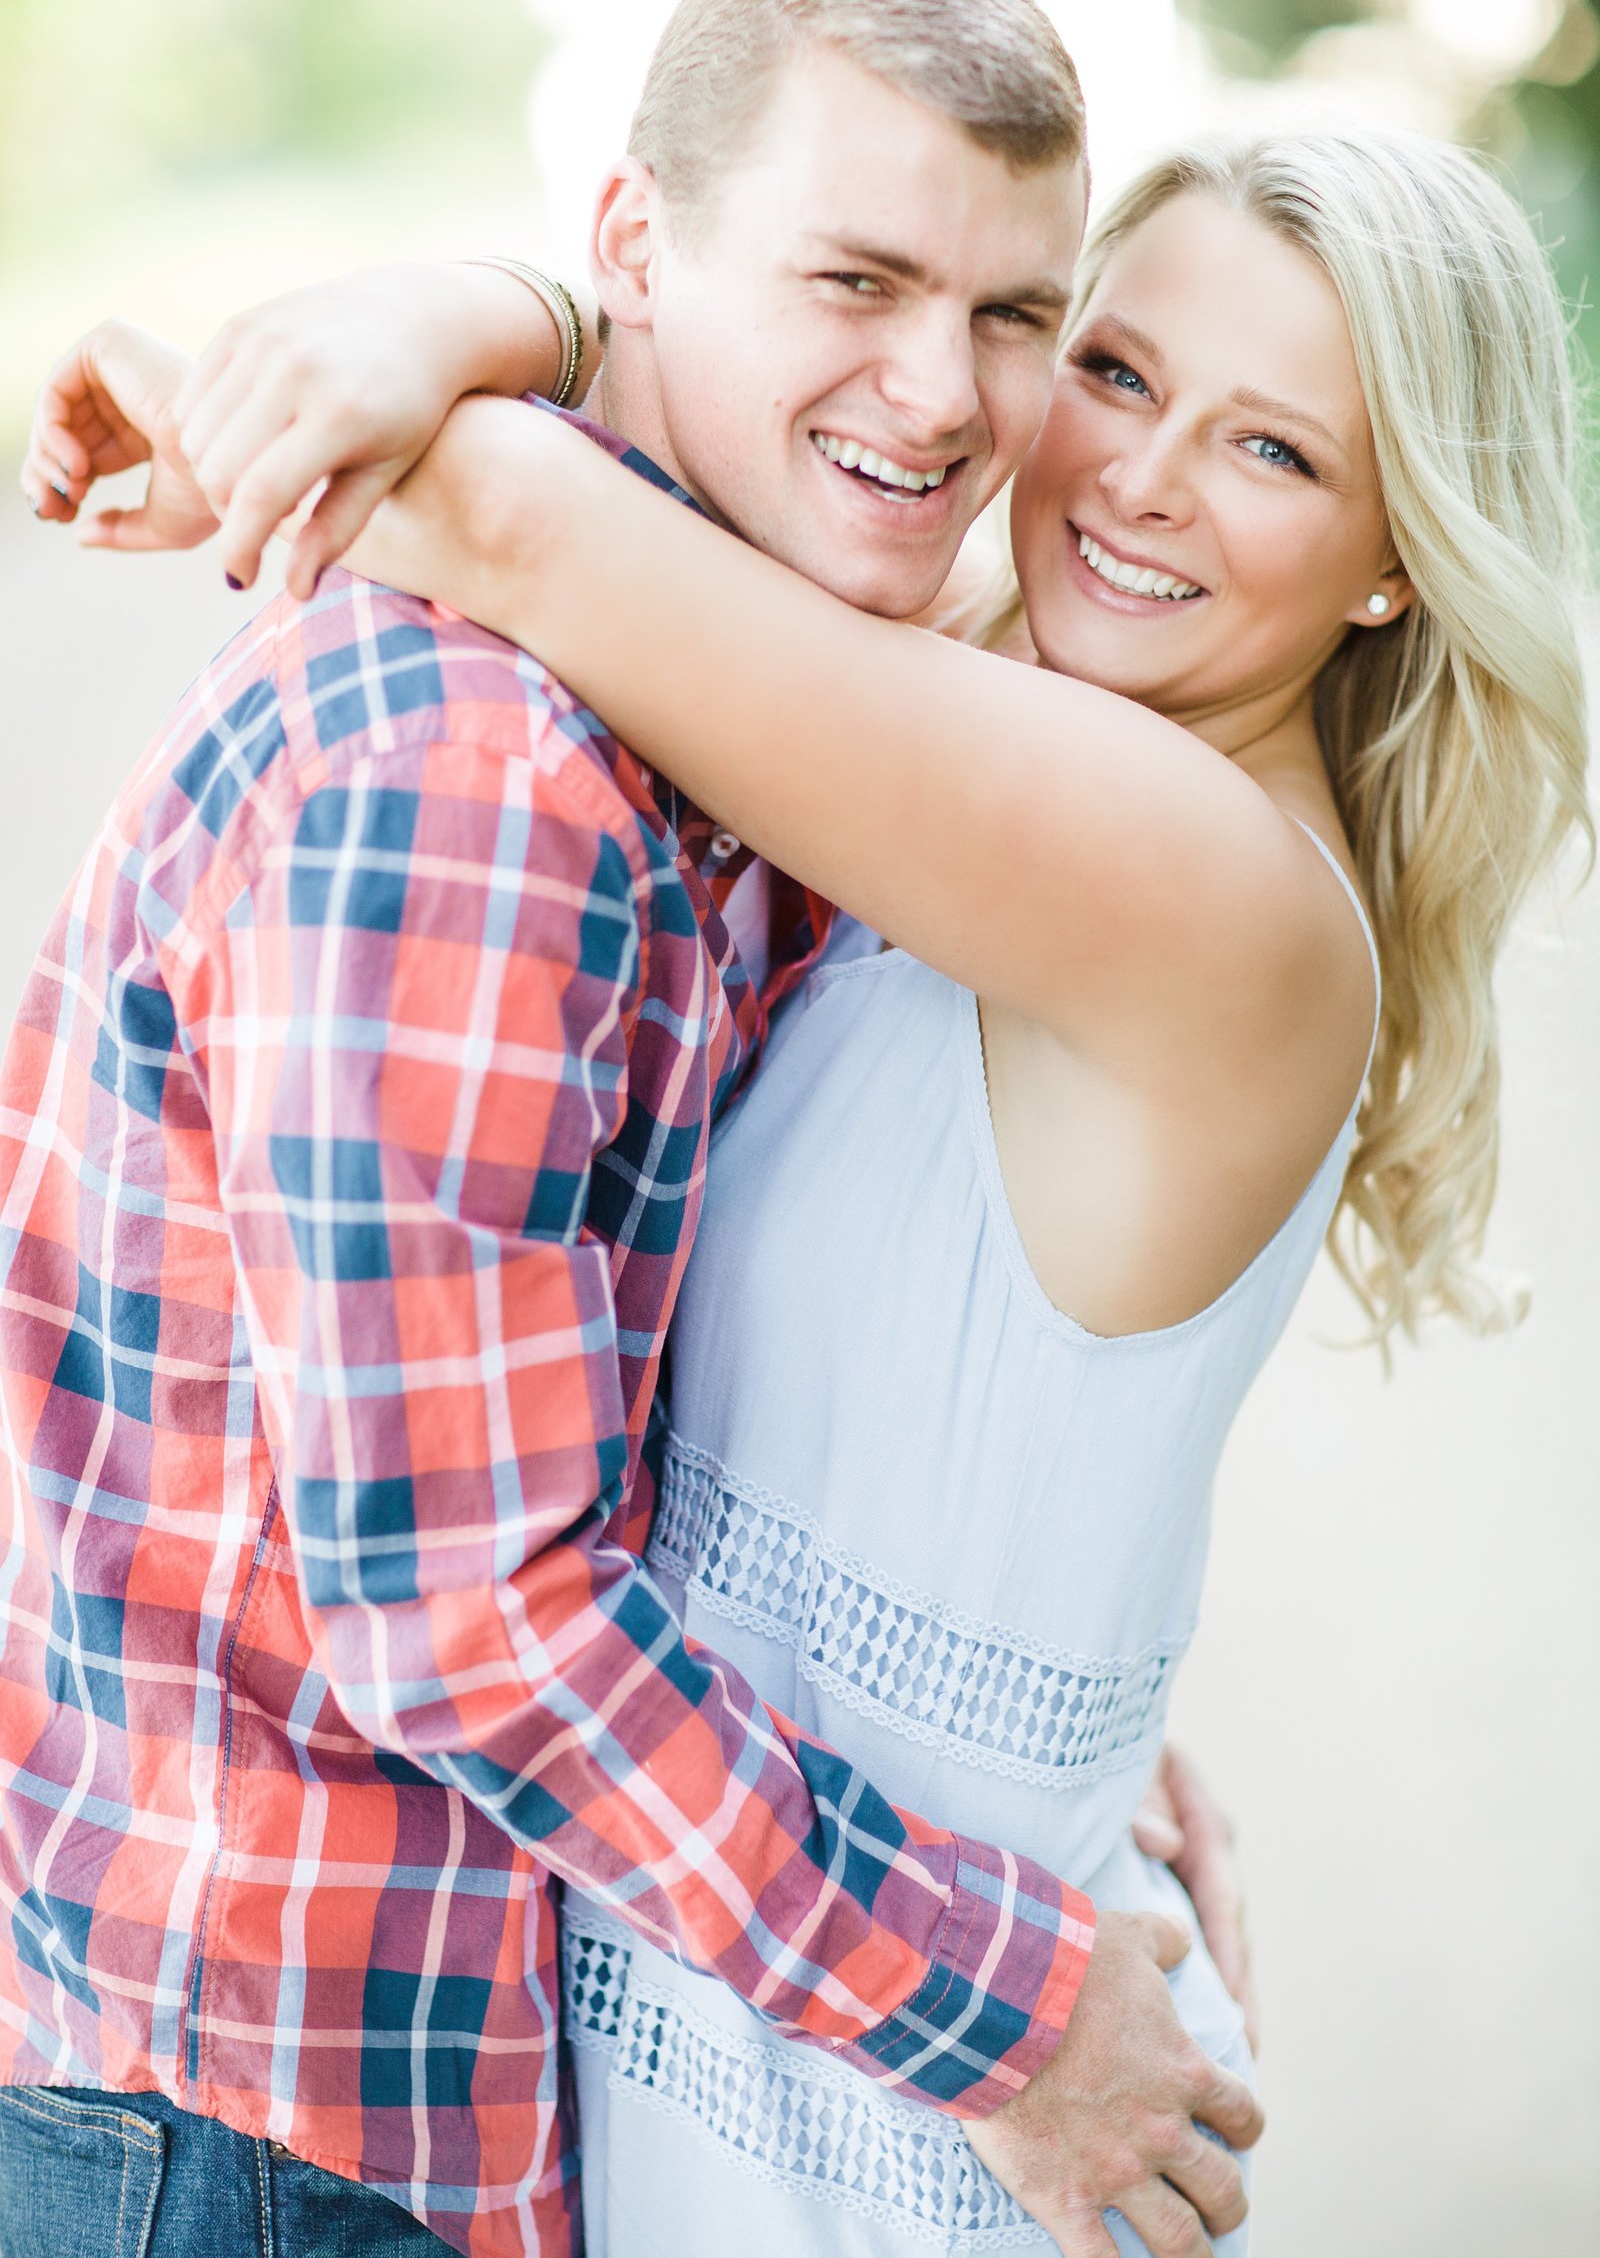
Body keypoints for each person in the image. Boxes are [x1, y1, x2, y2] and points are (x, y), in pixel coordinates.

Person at [44, 110, 1590, 2257]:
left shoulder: (1199, 883)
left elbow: (521, 516)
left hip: (884, 2099)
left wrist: (488, 319)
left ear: (1396, 550)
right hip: (776, 1969)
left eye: (1273, 454)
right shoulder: (967, 757)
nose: (1134, 477)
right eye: (1116, 374)